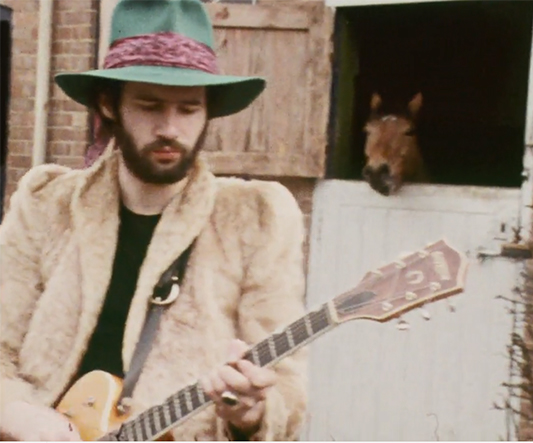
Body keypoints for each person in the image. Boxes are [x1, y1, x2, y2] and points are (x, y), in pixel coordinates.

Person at [0, 0, 308, 440]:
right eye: (149, 105)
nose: (170, 128)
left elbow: (288, 391)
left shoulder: (256, 219)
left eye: (188, 109)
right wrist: (20, 416)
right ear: (109, 104)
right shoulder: (46, 203)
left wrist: (253, 413)